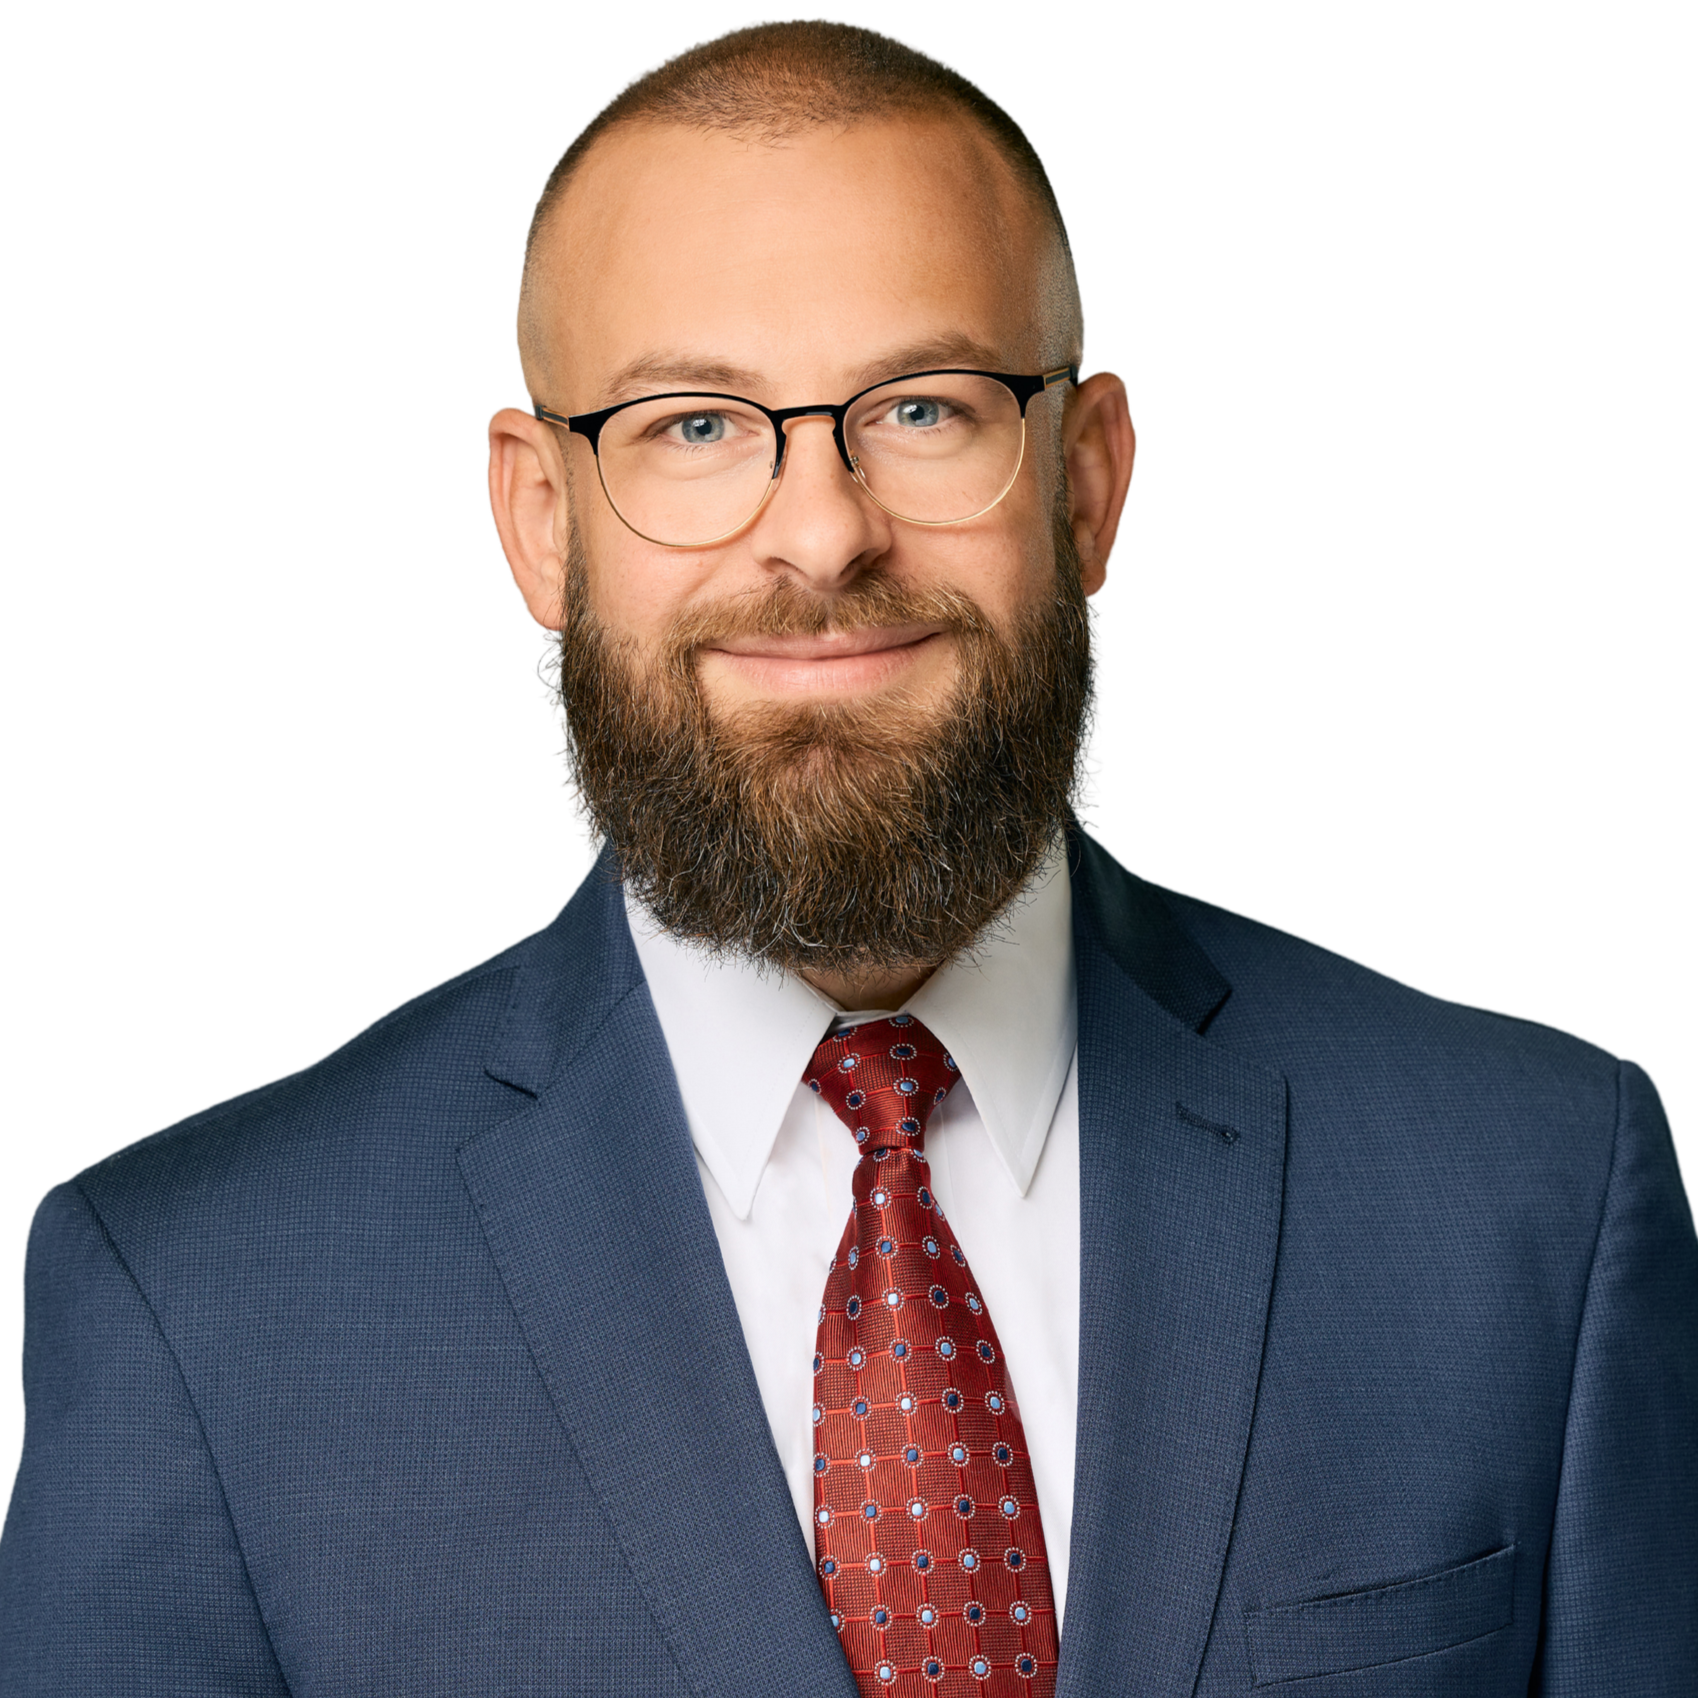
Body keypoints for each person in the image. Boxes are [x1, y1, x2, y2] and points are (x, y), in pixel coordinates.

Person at [2, 19, 1693, 1695]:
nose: (820, 531)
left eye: (923, 406)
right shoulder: (190, 1310)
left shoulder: (1535, 1195)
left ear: (1088, 486)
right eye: (691, 425)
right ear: (537, 520)